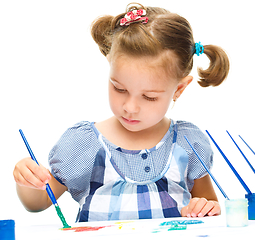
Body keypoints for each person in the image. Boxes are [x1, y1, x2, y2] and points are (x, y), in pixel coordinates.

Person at [13, 3, 229, 222]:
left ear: (179, 89)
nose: (130, 107)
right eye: (119, 88)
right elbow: (37, 203)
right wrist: (27, 181)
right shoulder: (83, 144)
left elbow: (209, 207)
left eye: (149, 97)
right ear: (110, 65)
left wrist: (204, 208)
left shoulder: (187, 143)